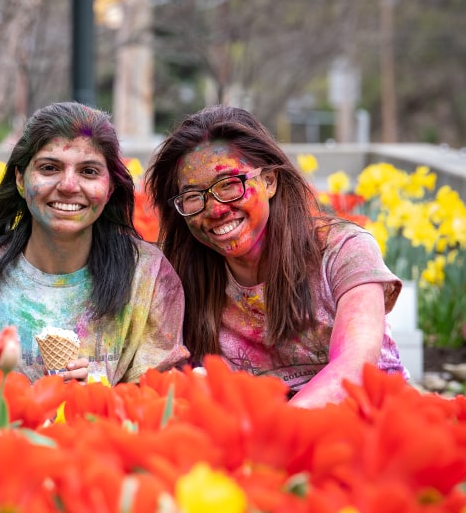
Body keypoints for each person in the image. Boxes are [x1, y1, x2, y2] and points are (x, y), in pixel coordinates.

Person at [145, 104, 407, 407]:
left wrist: (281, 427)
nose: (215, 210)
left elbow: (354, 364)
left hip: (365, 425)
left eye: (230, 185)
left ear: (269, 181)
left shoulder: (344, 250)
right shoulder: (181, 277)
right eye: (193, 197)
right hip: (255, 440)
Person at [0, 101, 188, 383]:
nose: (68, 186)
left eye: (88, 171)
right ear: (20, 179)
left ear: (110, 186)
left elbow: (157, 403)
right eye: (50, 168)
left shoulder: (147, 276)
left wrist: (96, 394)